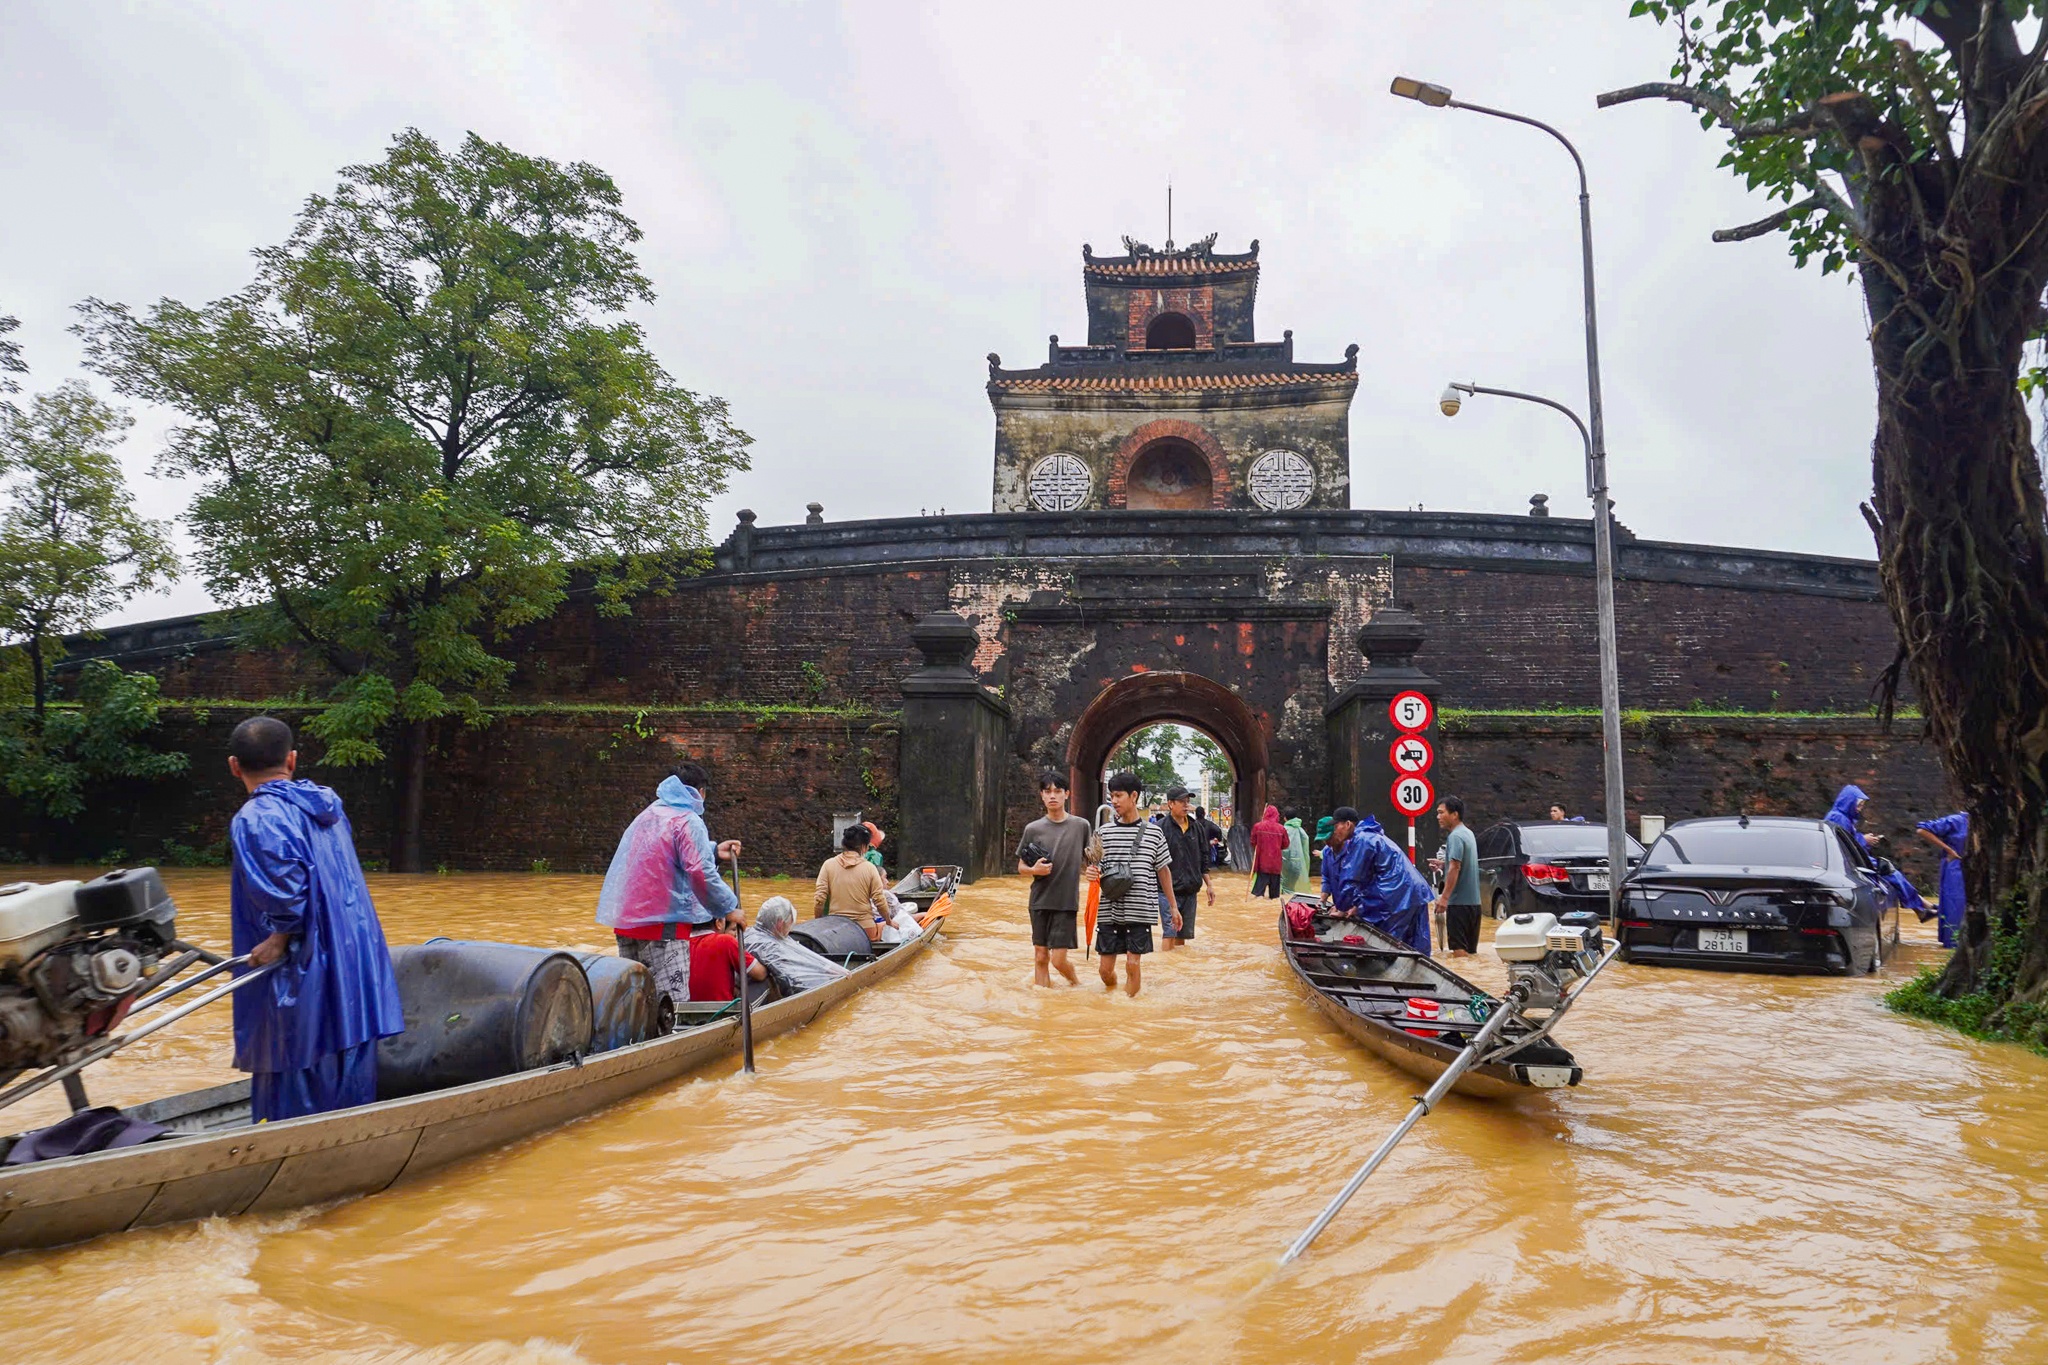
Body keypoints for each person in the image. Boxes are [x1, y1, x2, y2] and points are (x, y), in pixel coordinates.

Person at [224, 716, 404, 1122]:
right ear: (291, 760)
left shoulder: (257, 818)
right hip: (353, 962)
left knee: (297, 1071)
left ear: (234, 766)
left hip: (306, 973)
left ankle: (294, 1145)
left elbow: (286, 897)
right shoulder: (326, 808)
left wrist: (277, 940)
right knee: (348, 1065)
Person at [596, 761, 742, 1010]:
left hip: (627, 923)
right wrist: (728, 908)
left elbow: (663, 856)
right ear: (701, 792)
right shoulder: (688, 820)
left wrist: (713, 851)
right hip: (663, 926)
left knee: (638, 1002)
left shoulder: (648, 816)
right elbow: (699, 870)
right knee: (671, 1005)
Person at [1087, 771, 1174, 996]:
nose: (1114, 801)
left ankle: (1130, 1007)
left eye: (1118, 796)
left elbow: (1163, 871)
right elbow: (1094, 868)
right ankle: (1113, 996)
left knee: (1132, 965)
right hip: (1109, 910)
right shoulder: (1103, 833)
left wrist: (1173, 907)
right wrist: (1090, 873)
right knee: (1104, 971)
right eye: (1111, 796)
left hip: (1140, 911)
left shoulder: (1154, 833)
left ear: (1133, 796)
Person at [1017, 770, 1095, 987]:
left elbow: (1091, 861)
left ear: (1067, 794)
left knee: (1058, 960)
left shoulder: (1081, 826)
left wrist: (1093, 872)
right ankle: (1043, 1000)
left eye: (1058, 791)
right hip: (1039, 900)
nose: (1053, 796)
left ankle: (1075, 983)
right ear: (1041, 795)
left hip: (1066, 902)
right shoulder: (1033, 829)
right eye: (1047, 791)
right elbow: (1021, 866)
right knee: (1041, 956)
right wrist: (1034, 869)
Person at [1322, 807, 1434, 953]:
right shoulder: (1371, 836)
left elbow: (1351, 879)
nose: (1335, 832)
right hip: (1415, 890)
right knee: (1416, 943)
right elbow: (1366, 879)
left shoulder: (1361, 840)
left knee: (1387, 942)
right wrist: (1357, 905)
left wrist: (1342, 908)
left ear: (1348, 824)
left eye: (1336, 827)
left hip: (1397, 894)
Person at [1824, 784, 1932, 920]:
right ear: (1849, 803)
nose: (1860, 809)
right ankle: (1922, 907)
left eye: (1861, 806)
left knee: (1893, 875)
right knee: (1892, 874)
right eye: (1859, 805)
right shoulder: (1838, 817)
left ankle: (1921, 907)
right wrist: (1863, 840)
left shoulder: (1843, 818)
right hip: (1851, 862)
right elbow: (1841, 842)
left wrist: (1864, 840)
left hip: (1853, 860)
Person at [745, 895, 852, 994]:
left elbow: (801, 957)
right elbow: (792, 981)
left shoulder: (749, 933)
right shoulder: (769, 947)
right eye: (790, 923)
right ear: (780, 924)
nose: (790, 929)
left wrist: (826, 968)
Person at [1157, 786, 1215, 951]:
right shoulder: (1160, 828)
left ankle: (1176, 964)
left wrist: (1209, 885)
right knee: (1169, 933)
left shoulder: (1196, 827)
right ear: (1170, 804)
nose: (1186, 805)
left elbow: (1204, 857)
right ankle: (1166, 963)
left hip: (1190, 890)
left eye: (1187, 801)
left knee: (1182, 936)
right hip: (1167, 891)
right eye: (1181, 801)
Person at [816, 823, 894, 940]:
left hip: (835, 929)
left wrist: (818, 923)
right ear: (864, 847)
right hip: (865, 930)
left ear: (844, 844)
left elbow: (819, 900)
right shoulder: (870, 868)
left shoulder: (828, 865)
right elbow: (879, 900)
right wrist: (888, 921)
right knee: (887, 925)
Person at [1433, 796, 1482, 957]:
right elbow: (1460, 863)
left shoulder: (1455, 837)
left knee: (1459, 953)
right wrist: (1443, 864)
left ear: (1454, 814)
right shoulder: (1468, 833)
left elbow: (1455, 867)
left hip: (1459, 903)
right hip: (1474, 904)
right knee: (1470, 954)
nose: (1438, 817)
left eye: (1441, 812)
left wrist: (1444, 898)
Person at [687, 904, 766, 1003]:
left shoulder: (683, 943)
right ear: (718, 923)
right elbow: (759, 973)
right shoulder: (725, 941)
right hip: (722, 1009)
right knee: (766, 982)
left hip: (689, 1007)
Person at [1914, 812, 1970, 949]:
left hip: (1976, 867)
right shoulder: (1956, 820)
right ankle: (1953, 943)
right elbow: (1922, 829)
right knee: (1955, 904)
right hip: (1956, 866)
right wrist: (1948, 849)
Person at [1250, 804, 1287, 899]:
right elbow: (1286, 844)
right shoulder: (1281, 828)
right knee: (1274, 898)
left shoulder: (1258, 826)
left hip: (1262, 863)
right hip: (1276, 864)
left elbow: (1253, 842)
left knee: (1258, 896)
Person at [1281, 815, 1311, 896]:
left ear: (1285, 818)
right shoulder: (1300, 830)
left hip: (1284, 860)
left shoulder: (1283, 829)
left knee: (1284, 881)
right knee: (1292, 882)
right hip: (1298, 861)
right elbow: (1305, 842)